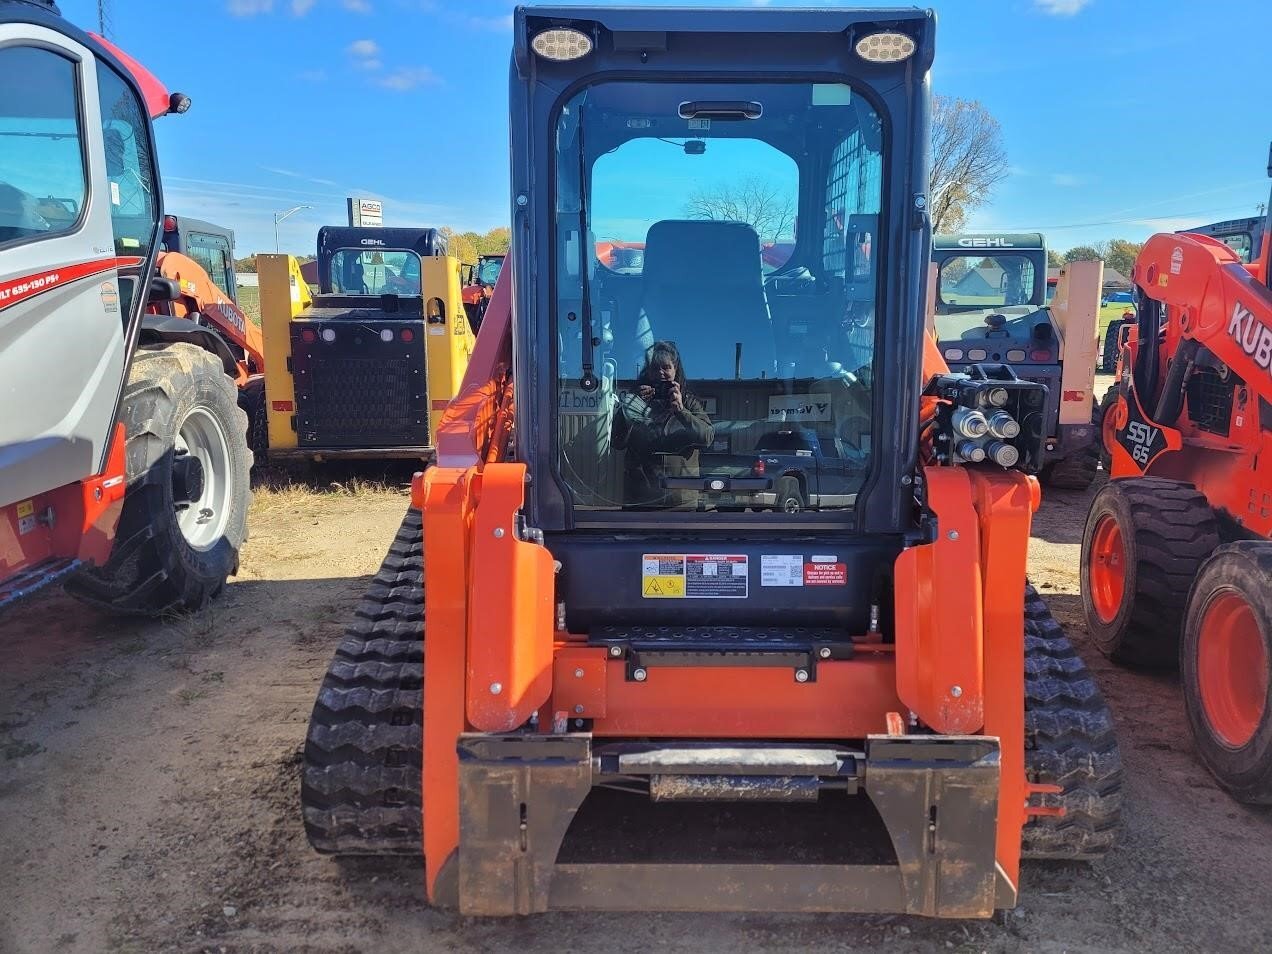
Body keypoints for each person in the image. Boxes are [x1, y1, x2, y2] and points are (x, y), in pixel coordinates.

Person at [612, 340, 714, 509]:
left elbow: (707, 437)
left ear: (675, 370)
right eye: (654, 368)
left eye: (666, 367)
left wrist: (681, 412)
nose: (660, 373)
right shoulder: (635, 401)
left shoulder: (689, 403)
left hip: (682, 501)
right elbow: (617, 442)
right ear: (648, 371)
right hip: (641, 500)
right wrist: (629, 409)